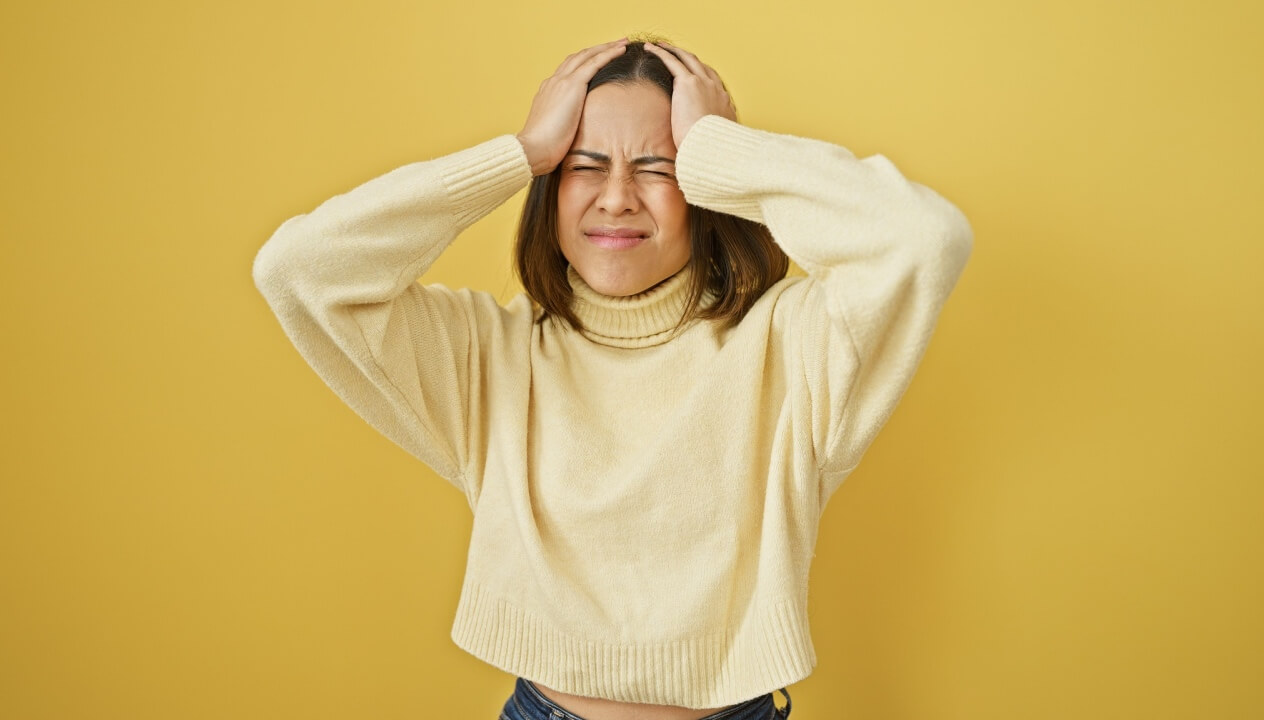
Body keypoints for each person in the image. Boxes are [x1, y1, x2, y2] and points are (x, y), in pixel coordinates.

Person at [252, 35, 973, 720]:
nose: (618, 196)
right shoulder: (489, 357)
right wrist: (519, 153)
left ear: (703, 186)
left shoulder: (790, 348)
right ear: (549, 186)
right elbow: (300, 269)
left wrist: (724, 148)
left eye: (658, 169)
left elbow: (923, 239)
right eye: (584, 165)